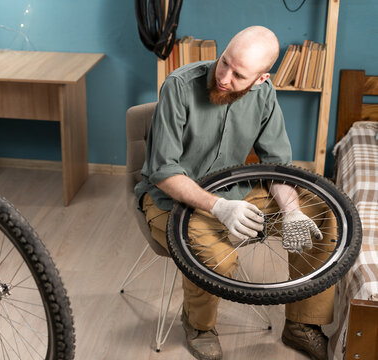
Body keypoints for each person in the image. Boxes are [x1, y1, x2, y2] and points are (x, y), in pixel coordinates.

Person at [134, 26, 333, 360]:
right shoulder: (179, 86)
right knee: (213, 257)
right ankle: (198, 325)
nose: (223, 76)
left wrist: (291, 210)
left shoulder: (265, 95)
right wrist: (219, 207)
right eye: (224, 61)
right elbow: (164, 172)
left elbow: (277, 166)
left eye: (238, 74)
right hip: (170, 198)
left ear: (261, 79)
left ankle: (302, 324)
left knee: (322, 212)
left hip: (234, 191)